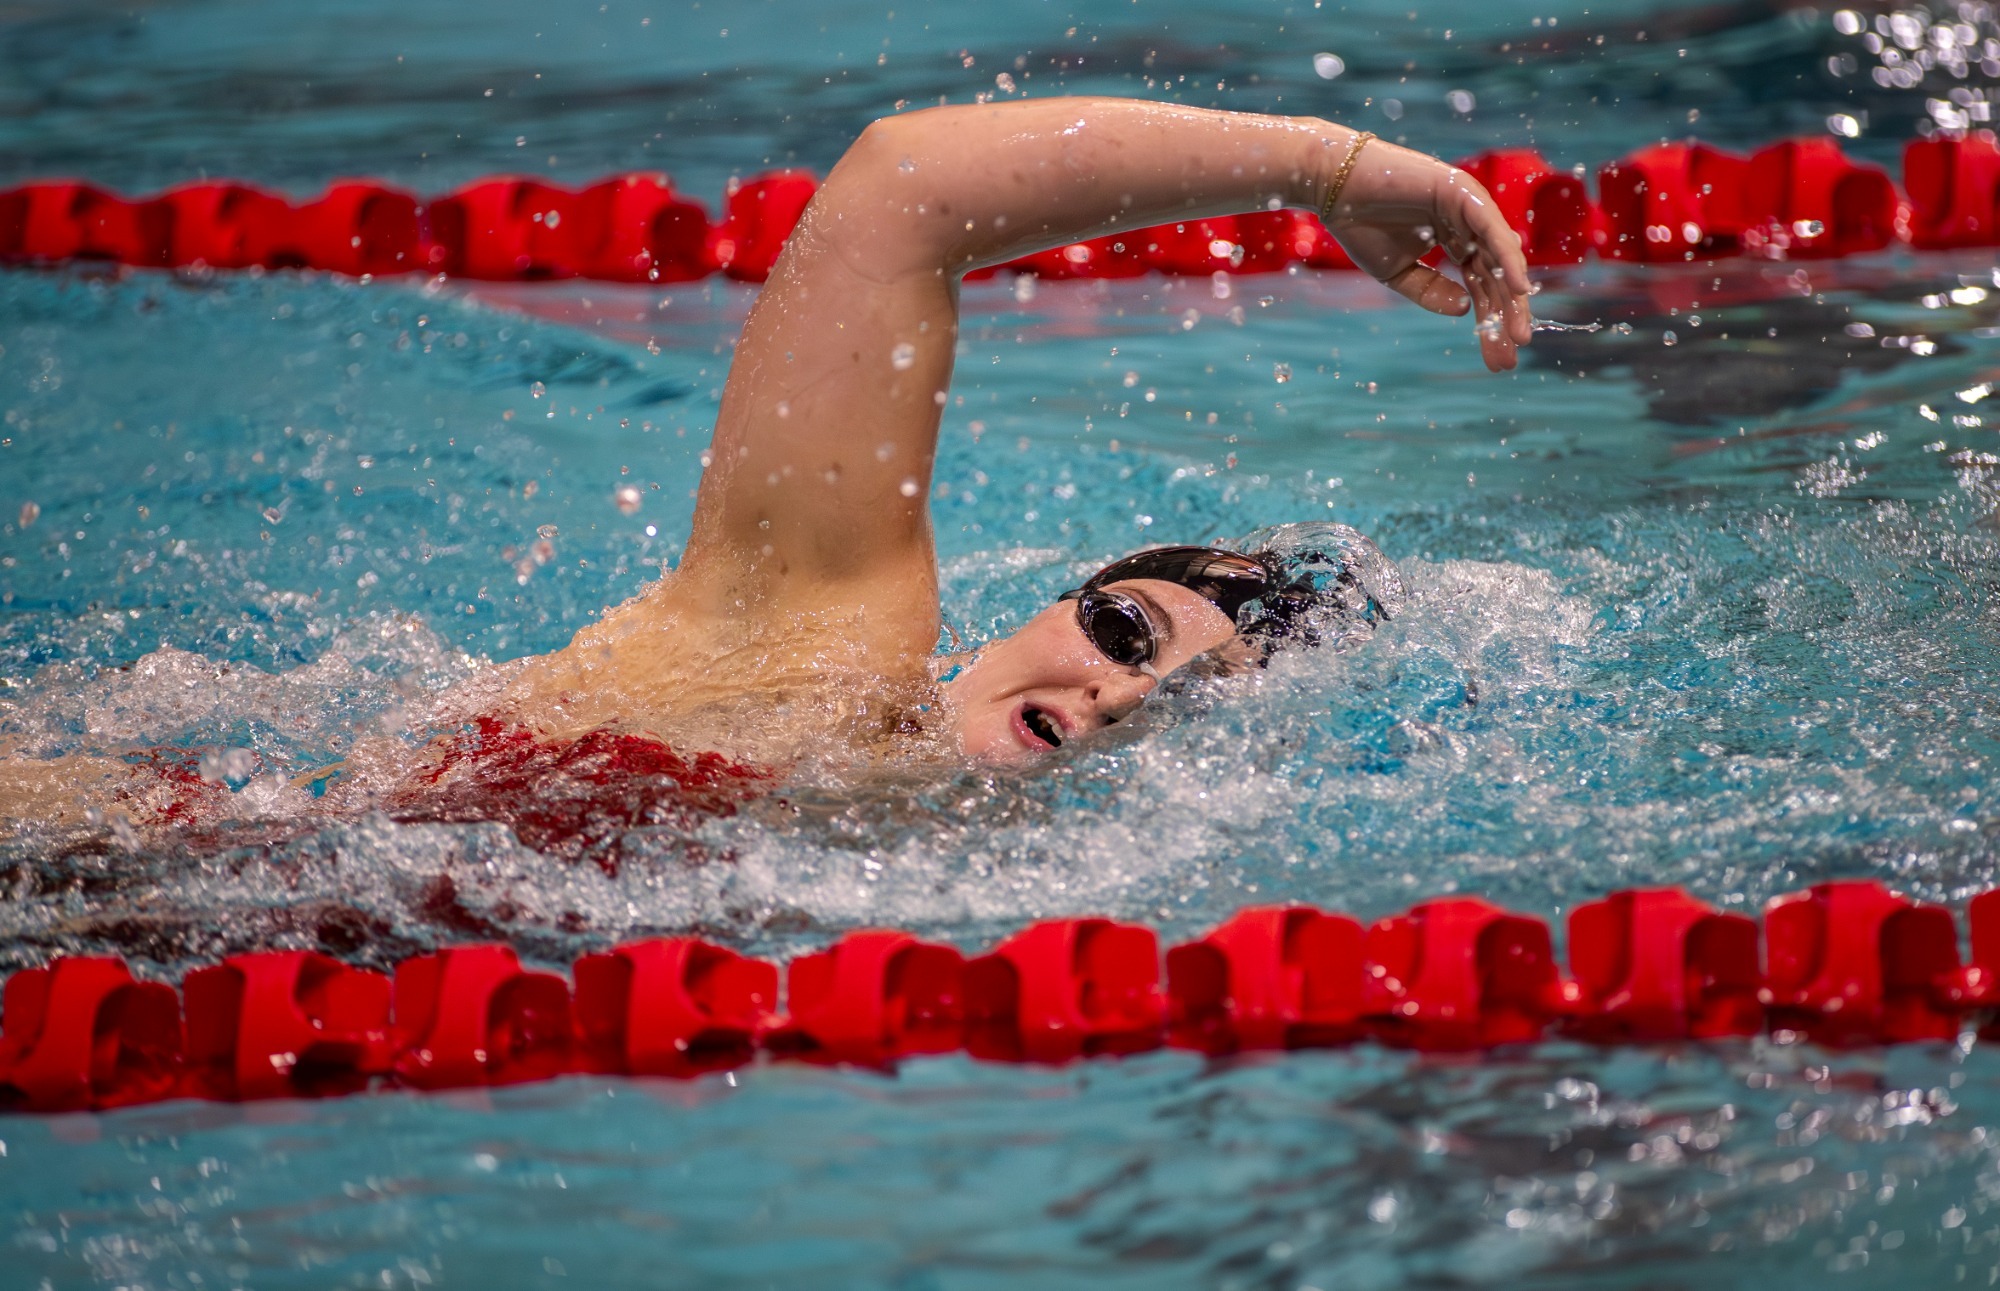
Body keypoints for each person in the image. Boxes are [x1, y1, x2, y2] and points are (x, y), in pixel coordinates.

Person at [1, 96, 1533, 834]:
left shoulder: (970, 917)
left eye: (1186, 707)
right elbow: (902, 190)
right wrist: (1333, 166)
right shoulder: (811, 646)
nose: (1133, 690)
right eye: (1132, 634)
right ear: (1053, 609)